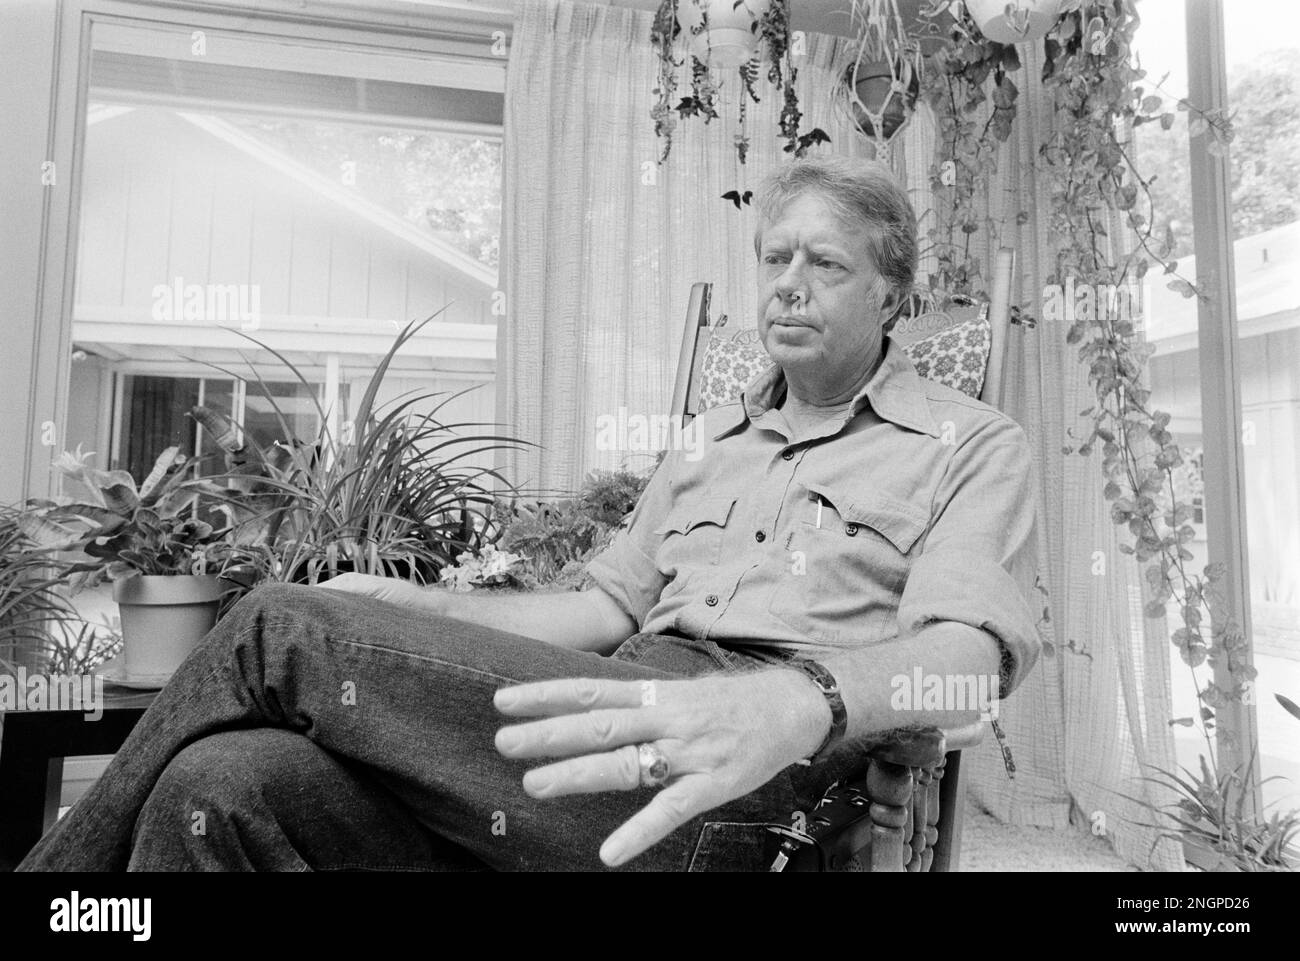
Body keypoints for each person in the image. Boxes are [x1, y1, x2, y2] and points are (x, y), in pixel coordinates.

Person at [17, 156, 1040, 872]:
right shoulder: (707, 445)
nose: (787, 285)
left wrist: (799, 702)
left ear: (894, 292)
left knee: (275, 622)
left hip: (741, 794)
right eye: (774, 258)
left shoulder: (971, 443)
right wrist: (415, 612)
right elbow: (593, 611)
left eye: (825, 263)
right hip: (585, 736)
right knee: (225, 780)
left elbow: (969, 655)